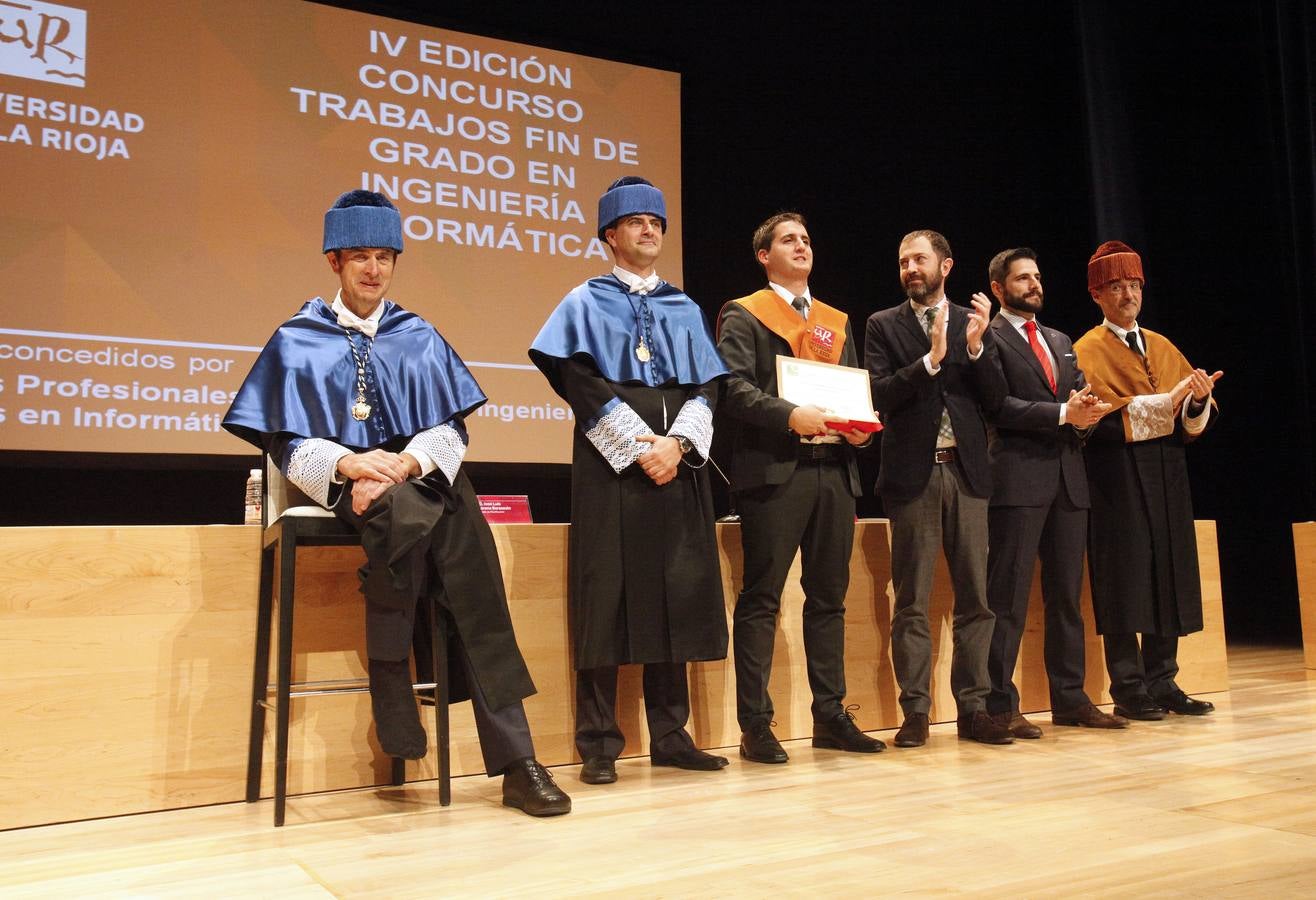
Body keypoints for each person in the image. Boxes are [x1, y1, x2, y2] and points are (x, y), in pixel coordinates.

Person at [223, 189, 570, 817]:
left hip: (410, 485)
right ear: (334, 261)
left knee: (429, 510)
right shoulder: (298, 338)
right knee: (444, 520)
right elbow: (282, 439)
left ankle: (434, 724)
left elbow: (453, 431)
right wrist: (349, 464)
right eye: (360, 256)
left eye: (385, 256)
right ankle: (516, 760)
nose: (374, 269)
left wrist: (405, 464)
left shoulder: (419, 335)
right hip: (344, 486)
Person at [529, 177, 730, 785]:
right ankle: (599, 743)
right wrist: (636, 444)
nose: (649, 230)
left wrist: (678, 445)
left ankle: (671, 734)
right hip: (610, 466)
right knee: (607, 596)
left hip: (674, 462)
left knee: (676, 592)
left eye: (657, 222)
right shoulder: (584, 301)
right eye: (636, 221)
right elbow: (577, 378)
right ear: (610, 234)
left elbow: (708, 385)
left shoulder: (683, 306)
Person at [716, 211, 884, 764]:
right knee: (762, 598)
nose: (802, 246)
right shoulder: (743, 314)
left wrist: (861, 429)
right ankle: (755, 724)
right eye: (789, 240)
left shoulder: (835, 321)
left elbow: (854, 393)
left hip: (834, 472)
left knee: (830, 600)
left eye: (807, 239)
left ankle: (831, 715)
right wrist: (791, 416)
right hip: (775, 471)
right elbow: (733, 391)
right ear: (764, 255)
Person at [864, 230, 1011, 747]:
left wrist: (975, 349)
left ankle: (973, 709)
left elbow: (995, 400)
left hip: (967, 473)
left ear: (945, 266)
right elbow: (878, 394)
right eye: (903, 261)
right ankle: (916, 712)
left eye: (919, 260)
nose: (910, 268)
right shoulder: (883, 324)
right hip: (913, 475)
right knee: (912, 600)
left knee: (976, 597)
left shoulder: (976, 323)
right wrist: (929, 361)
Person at [979, 248, 1128, 737]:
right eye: (1022, 278)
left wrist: (1084, 410)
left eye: (1037, 276)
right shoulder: (990, 337)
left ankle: (1070, 698)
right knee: (1010, 597)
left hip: (1068, 479)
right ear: (999, 289)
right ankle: (1000, 703)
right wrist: (1064, 414)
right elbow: (999, 406)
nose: (1034, 284)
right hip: (1018, 482)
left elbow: (1079, 394)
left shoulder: (1061, 340)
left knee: (1066, 596)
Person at [1074, 240, 1222, 720]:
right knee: (1126, 578)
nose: (1127, 295)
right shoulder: (1086, 350)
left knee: (1168, 574)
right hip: (1117, 478)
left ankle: (1164, 681)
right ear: (1098, 294)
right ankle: (1129, 686)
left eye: (1134, 285)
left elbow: (1191, 417)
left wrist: (1195, 400)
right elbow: (1100, 419)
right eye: (1116, 286)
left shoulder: (1161, 344)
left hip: (1168, 475)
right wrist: (1166, 402)